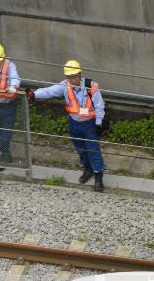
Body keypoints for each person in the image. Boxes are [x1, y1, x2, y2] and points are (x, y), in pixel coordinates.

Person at [28, 59, 106, 192]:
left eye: (74, 76)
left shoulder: (90, 87)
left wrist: (98, 123)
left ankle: (98, 176)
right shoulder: (65, 86)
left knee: (93, 150)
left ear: (80, 75)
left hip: (89, 124)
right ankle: (88, 169)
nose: (72, 80)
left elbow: (99, 106)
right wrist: (34, 94)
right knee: (81, 149)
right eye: (69, 77)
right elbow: (49, 91)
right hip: (74, 123)